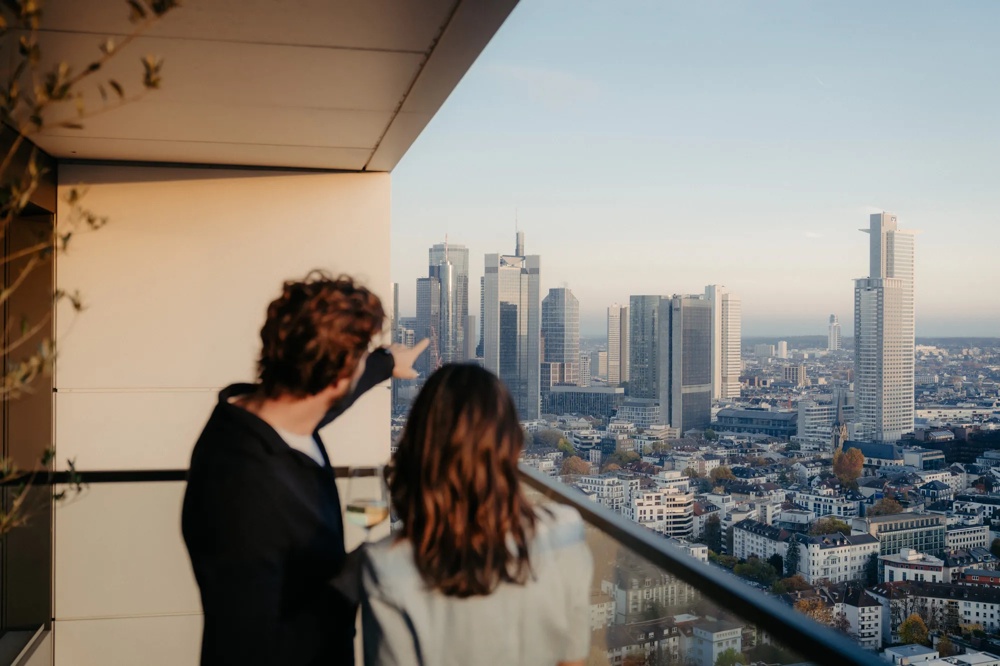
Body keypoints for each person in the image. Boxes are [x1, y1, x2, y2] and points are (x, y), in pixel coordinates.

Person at [181, 271, 427, 666]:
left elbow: (329, 397)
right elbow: (249, 651)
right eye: (359, 358)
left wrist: (385, 363)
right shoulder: (241, 489)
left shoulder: (265, 417)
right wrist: (355, 574)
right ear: (335, 377)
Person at [360, 364, 592, 666]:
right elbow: (573, 661)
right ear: (511, 445)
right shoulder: (563, 534)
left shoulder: (386, 566)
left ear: (417, 447)